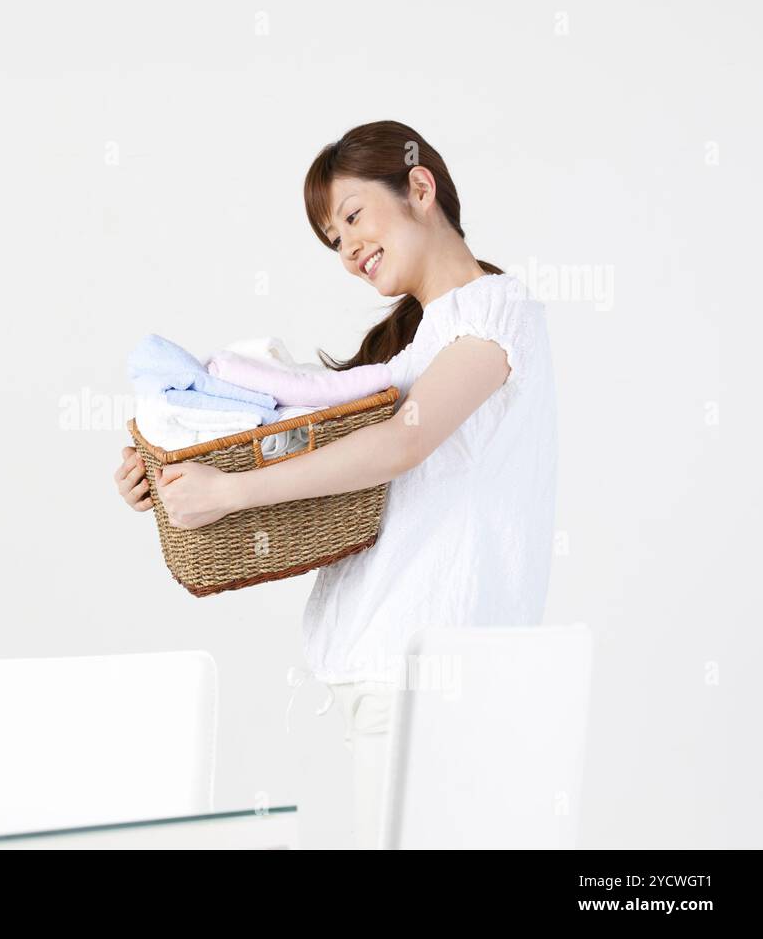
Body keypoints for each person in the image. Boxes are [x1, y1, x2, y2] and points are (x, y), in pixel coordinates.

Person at [113, 120, 558, 848]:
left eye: (352, 216)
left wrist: (228, 495)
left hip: (436, 673)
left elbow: (402, 443)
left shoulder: (497, 310)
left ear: (421, 186)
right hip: (390, 668)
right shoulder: (415, 348)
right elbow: (311, 445)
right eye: (332, 239)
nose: (347, 250)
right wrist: (168, 479)